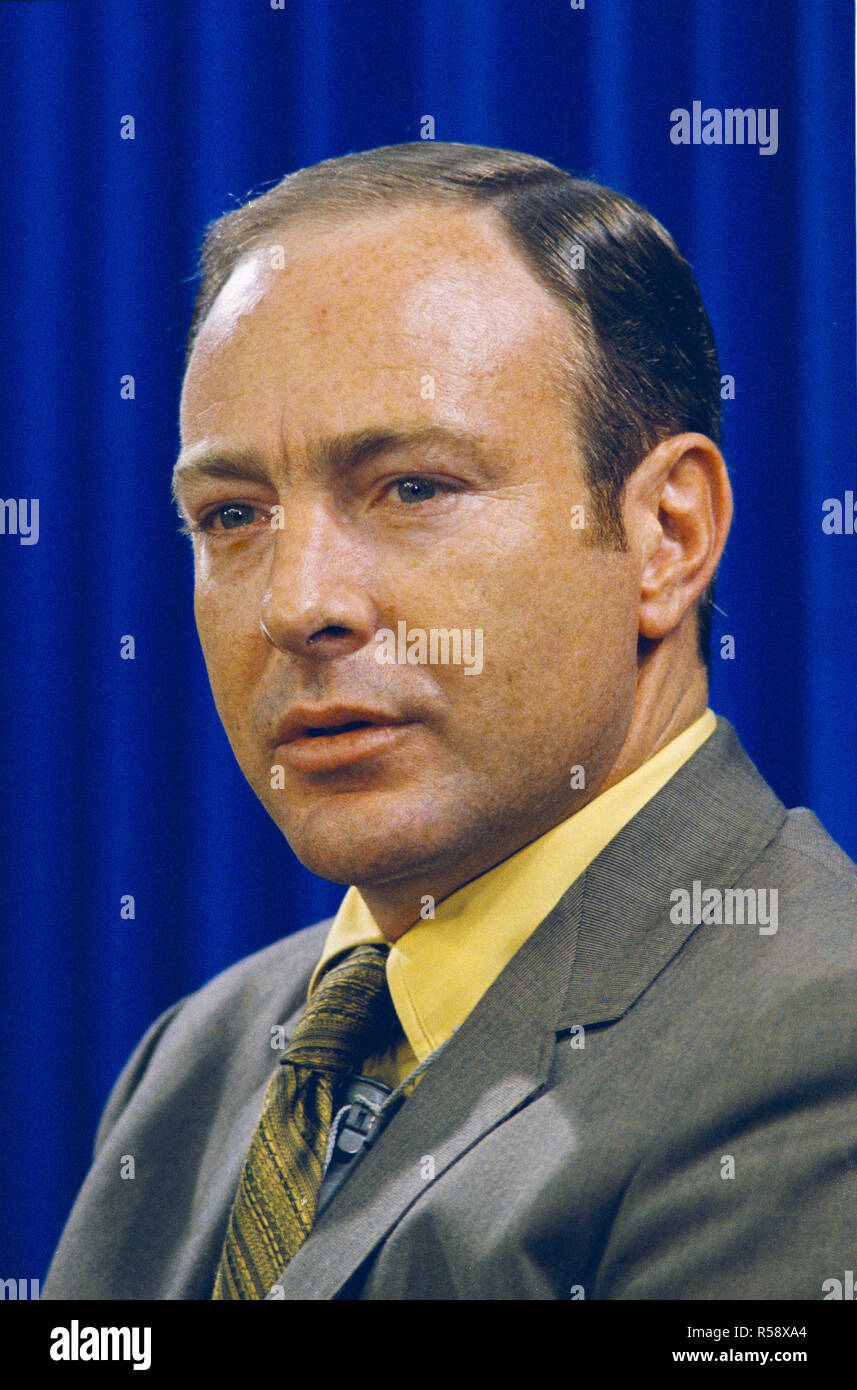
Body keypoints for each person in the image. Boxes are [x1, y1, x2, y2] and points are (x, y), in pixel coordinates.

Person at [43, 144, 857, 1301]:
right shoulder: (194, 1059)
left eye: (412, 488)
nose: (297, 603)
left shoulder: (821, 1051)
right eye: (231, 515)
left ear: (665, 537)